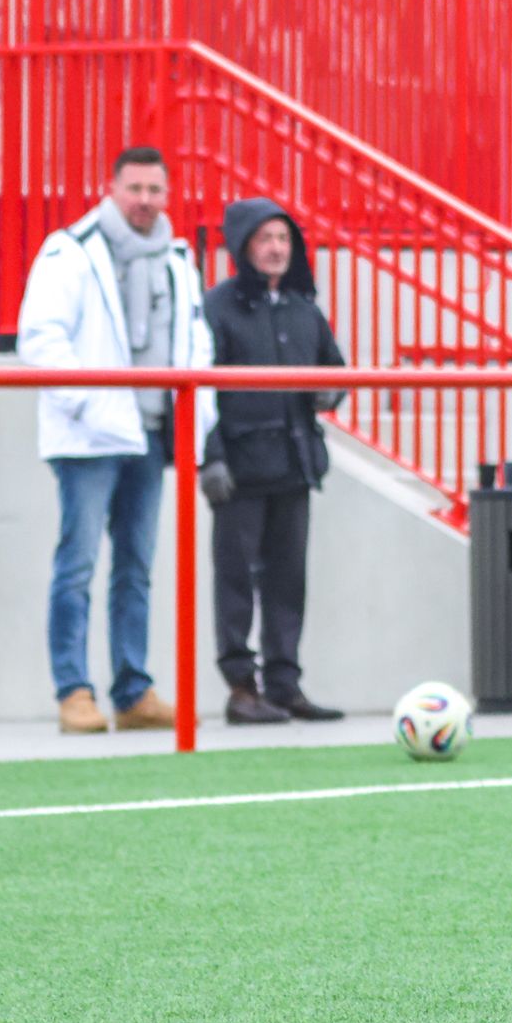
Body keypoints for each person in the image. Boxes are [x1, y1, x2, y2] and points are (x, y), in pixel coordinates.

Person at [15, 145, 215, 734]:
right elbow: (41, 339)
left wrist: (192, 415)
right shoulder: (69, 250)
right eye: (135, 189)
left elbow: (195, 340)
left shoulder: (178, 257)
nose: (146, 202)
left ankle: (133, 691)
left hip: (149, 433)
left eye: (156, 190)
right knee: (76, 565)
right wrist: (93, 404)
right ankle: (74, 691)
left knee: (136, 567)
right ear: (112, 188)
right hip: (89, 437)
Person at [199, 198, 348, 724]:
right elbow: (200, 390)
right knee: (235, 580)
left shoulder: (305, 309)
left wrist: (331, 394)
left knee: (289, 579)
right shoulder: (216, 307)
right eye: (265, 238)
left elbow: (335, 371)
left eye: (283, 239)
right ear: (243, 246)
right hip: (237, 469)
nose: (276, 248)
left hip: (294, 463)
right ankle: (241, 688)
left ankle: (284, 685)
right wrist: (210, 458)